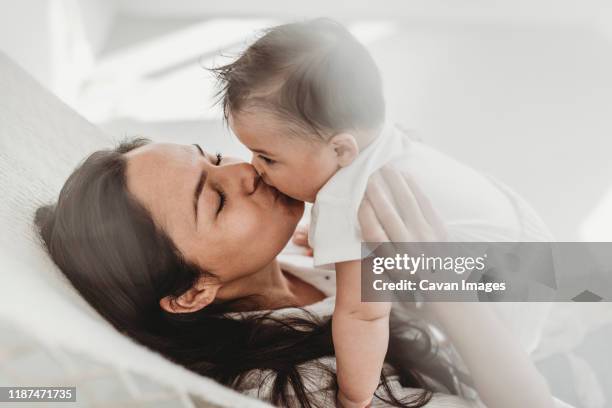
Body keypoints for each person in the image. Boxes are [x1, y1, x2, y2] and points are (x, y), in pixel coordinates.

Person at [35, 139, 559, 408]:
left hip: (556, 348)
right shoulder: (294, 384)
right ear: (193, 291)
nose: (242, 170)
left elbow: (565, 279)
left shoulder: (312, 254)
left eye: (213, 156)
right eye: (215, 200)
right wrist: (441, 282)